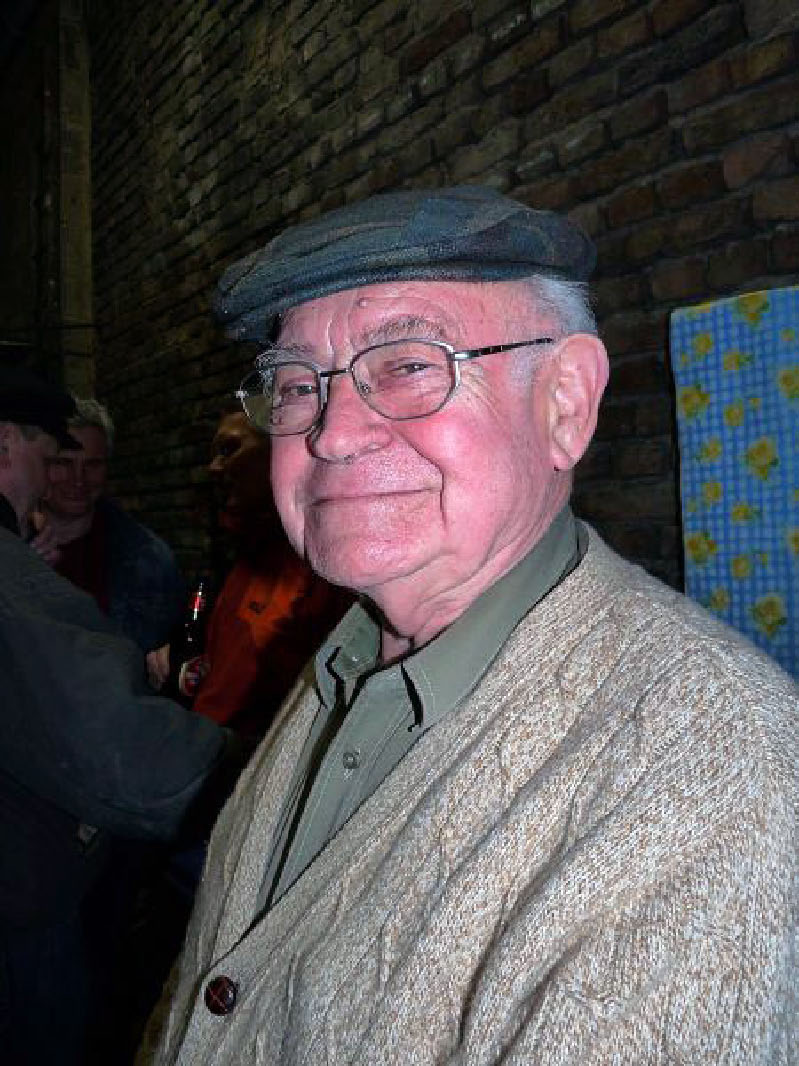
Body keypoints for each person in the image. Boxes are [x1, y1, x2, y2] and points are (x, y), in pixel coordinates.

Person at [142, 187, 799, 1065]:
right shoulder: (342, 663)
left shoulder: (711, 760)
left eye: (408, 365)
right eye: (298, 385)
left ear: (565, 402)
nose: (331, 434)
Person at [0, 365, 239, 1065]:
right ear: (6, 444)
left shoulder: (136, 556)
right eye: (49, 458)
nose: (55, 481)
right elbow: (125, 752)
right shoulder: (13, 577)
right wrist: (271, 767)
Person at [183, 408, 349, 736]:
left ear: (279, 451)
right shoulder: (246, 555)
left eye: (230, 449)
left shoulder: (321, 562)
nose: (214, 467)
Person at [44, 396, 184, 652]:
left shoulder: (149, 561)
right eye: (64, 463)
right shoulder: (13, 546)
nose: (78, 479)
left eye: (92, 464)